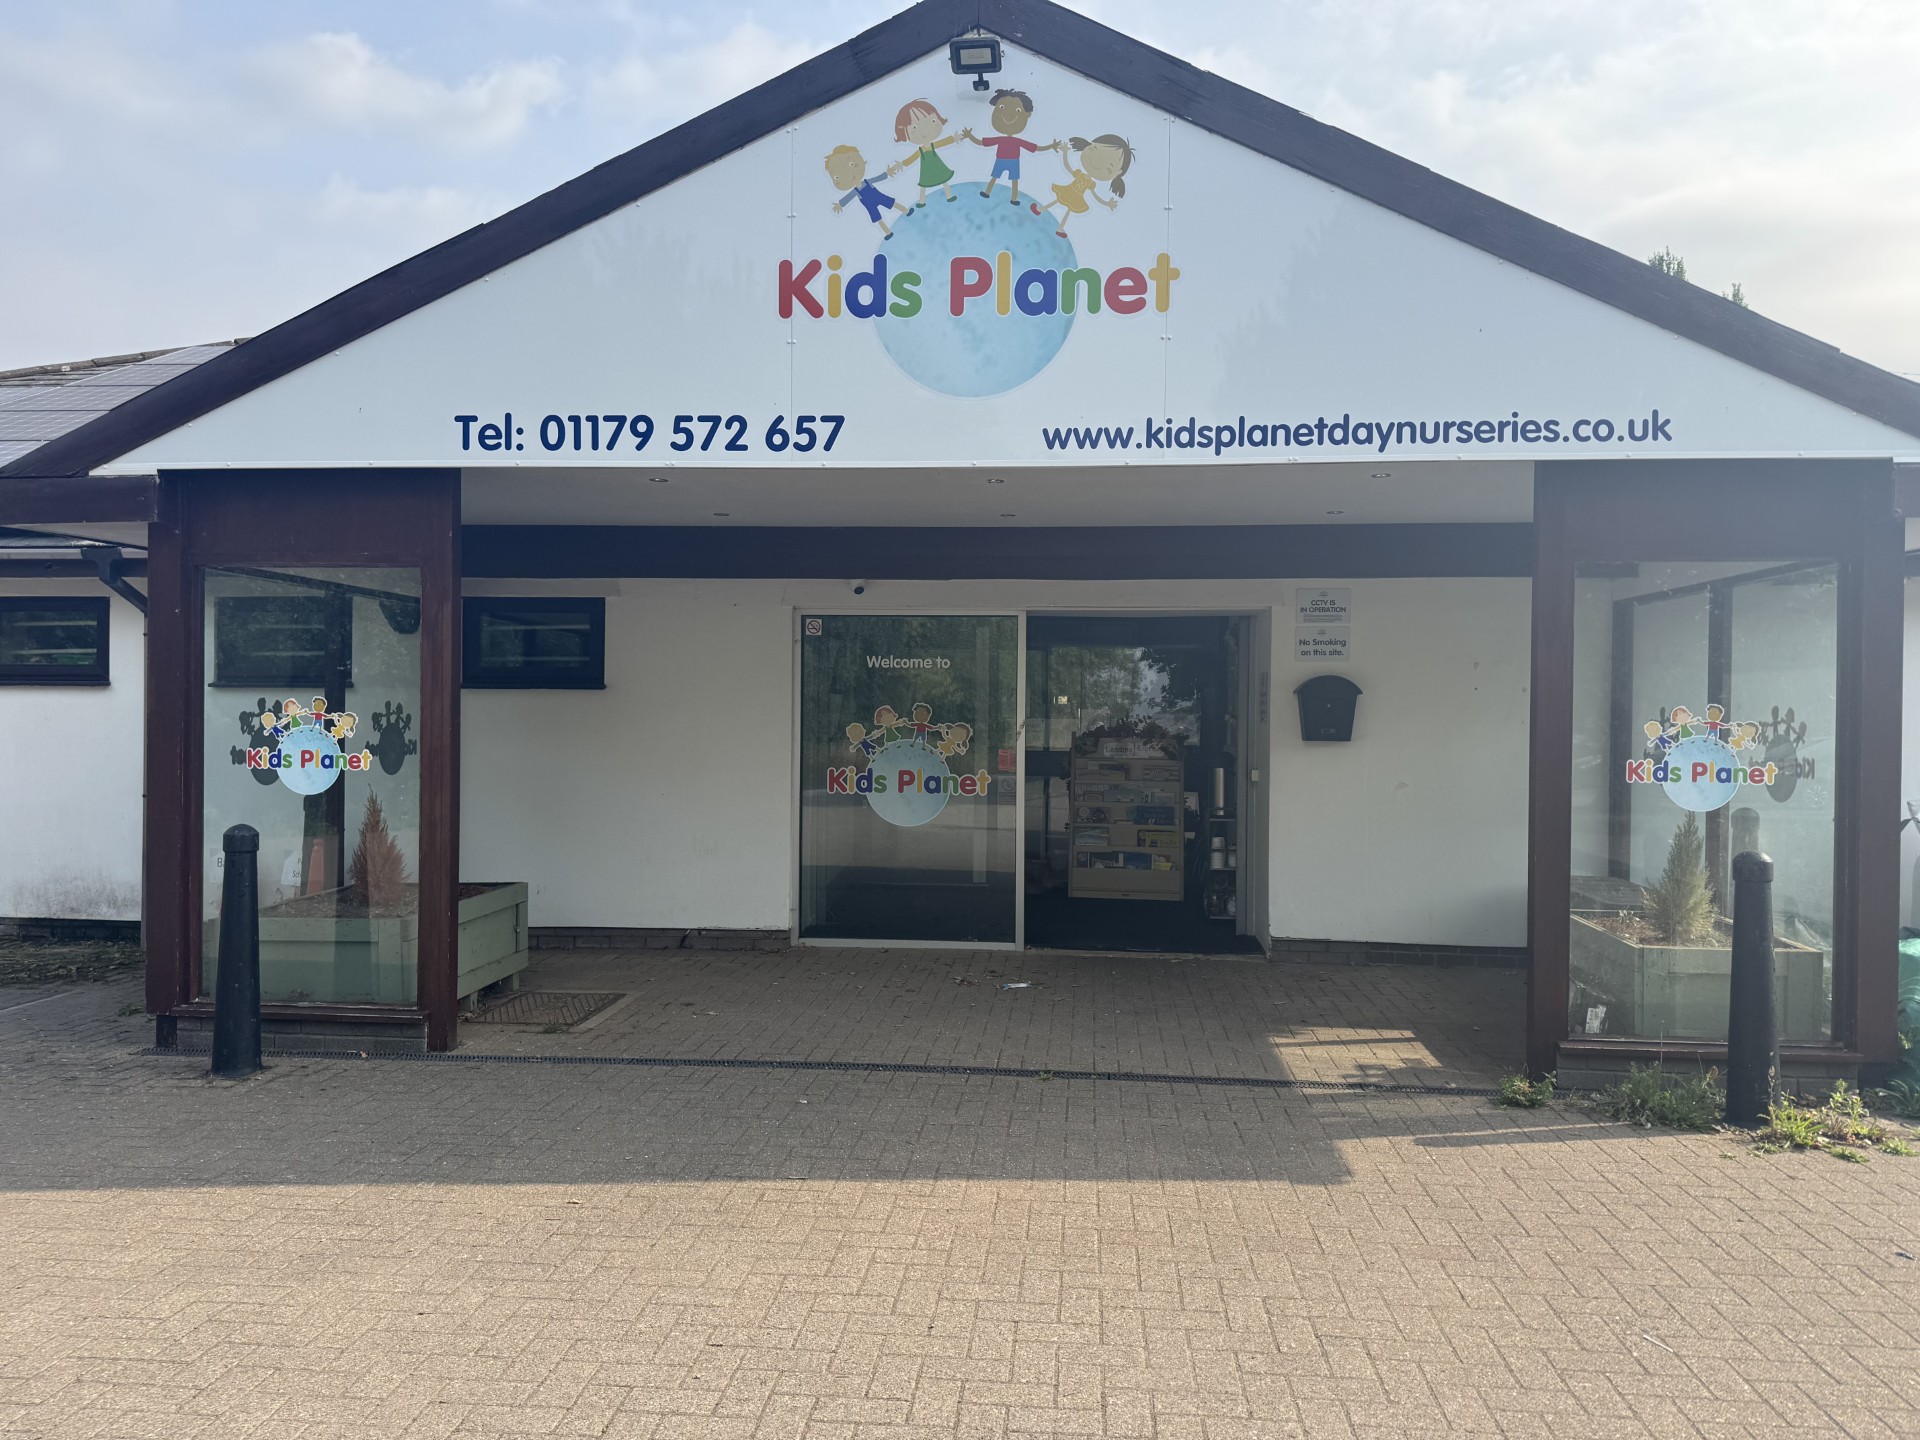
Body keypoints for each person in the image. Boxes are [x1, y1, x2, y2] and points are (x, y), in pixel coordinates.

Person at [1030, 133, 1134, 237]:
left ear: (1117, 173)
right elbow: (1068, 167)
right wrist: (1065, 153)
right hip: (1068, 190)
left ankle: (1059, 228)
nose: (1097, 161)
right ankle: (1040, 210)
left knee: (1067, 210)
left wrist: (1107, 203)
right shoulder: (1079, 174)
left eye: (1109, 166)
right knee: (1057, 201)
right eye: (1094, 149)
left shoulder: (1091, 183)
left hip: (1077, 198)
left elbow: (1095, 196)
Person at [967, 89, 1058, 205]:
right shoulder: (1001, 139)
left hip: (1013, 162)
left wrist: (1051, 146)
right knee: (995, 177)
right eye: (1001, 108)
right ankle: (987, 192)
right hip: (1001, 160)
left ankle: (1013, 198)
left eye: (1018, 111)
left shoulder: (1017, 141)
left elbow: (1034, 148)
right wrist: (970, 136)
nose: (1009, 115)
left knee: (1013, 181)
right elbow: (982, 142)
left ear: (1027, 115)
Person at [888, 99, 963, 206]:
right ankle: (922, 201)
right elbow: (912, 158)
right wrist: (902, 164)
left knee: (944, 180)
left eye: (932, 121)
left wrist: (953, 138)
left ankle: (949, 196)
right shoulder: (921, 150)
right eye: (914, 127)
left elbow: (943, 142)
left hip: (938, 166)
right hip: (926, 169)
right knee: (923, 185)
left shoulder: (932, 145)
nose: (925, 130)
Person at [825, 144, 909, 238]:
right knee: (878, 219)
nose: (848, 175)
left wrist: (887, 174)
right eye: (837, 177)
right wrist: (840, 204)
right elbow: (848, 197)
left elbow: (878, 178)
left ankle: (906, 211)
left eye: (852, 164)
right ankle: (888, 233)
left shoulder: (867, 182)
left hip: (878, 197)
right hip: (870, 205)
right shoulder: (855, 191)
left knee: (892, 203)